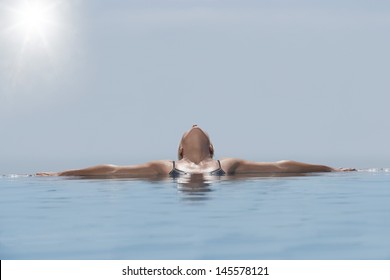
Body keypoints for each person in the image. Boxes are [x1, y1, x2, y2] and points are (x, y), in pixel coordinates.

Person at [36, 125, 355, 177]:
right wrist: (61, 174)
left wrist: (330, 170)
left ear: (212, 146)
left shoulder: (227, 163)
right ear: (179, 148)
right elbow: (112, 171)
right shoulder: (165, 167)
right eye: (188, 128)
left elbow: (281, 167)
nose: (194, 123)